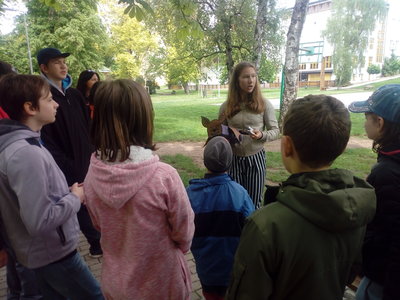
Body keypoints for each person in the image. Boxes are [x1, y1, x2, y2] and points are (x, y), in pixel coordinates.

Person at [226, 95, 377, 300]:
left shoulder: (264, 225)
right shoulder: (358, 206)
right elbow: (351, 269)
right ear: (340, 147)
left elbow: (247, 293)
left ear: (286, 145)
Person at [84, 79, 195, 300]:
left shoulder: (92, 175)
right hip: (163, 285)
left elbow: (98, 223)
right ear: (144, 118)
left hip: (116, 285)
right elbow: (183, 231)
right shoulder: (164, 177)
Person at [0, 74, 104, 300]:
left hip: (43, 253)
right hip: (52, 254)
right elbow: (39, 220)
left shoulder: (26, 143)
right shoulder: (25, 153)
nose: (56, 103)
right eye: (48, 99)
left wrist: (63, 192)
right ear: (30, 107)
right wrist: (75, 198)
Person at [37, 47, 102, 258]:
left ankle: (101, 237)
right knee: (79, 204)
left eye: (64, 61)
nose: (63, 65)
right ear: (44, 68)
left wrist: (94, 152)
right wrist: (68, 165)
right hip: (66, 167)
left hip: (88, 160)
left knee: (94, 200)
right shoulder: (43, 98)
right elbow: (46, 139)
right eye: (56, 62)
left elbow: (88, 126)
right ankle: (95, 243)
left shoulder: (74, 94)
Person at [186, 136, 254, 300]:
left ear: (205, 161)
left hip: (206, 270)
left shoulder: (189, 194)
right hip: (233, 272)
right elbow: (252, 230)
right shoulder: (240, 194)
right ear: (230, 162)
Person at [348, 84, 400, 300]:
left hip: (382, 281)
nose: (364, 121)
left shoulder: (386, 173)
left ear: (379, 122)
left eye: (367, 116)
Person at [0, 61, 43, 300]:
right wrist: (72, 200)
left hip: (17, 232)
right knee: (29, 282)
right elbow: (38, 217)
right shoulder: (21, 149)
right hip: (23, 237)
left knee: (18, 281)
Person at [218, 62, 280, 209]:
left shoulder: (264, 104)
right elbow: (220, 133)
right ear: (237, 81)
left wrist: (262, 135)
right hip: (233, 160)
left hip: (256, 158)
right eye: (246, 77)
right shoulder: (226, 107)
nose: (251, 80)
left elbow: (276, 131)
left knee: (254, 201)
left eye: (253, 76)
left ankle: (253, 230)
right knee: (235, 200)